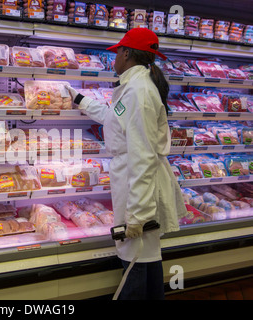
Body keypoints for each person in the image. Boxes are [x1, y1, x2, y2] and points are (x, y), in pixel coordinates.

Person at [66, 28, 187, 300]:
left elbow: (142, 157)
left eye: (118, 52)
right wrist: (81, 100)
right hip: (131, 182)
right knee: (145, 259)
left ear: (127, 53)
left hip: (139, 189)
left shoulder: (139, 92)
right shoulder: (134, 87)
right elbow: (113, 116)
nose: (114, 58)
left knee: (137, 261)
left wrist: (139, 216)